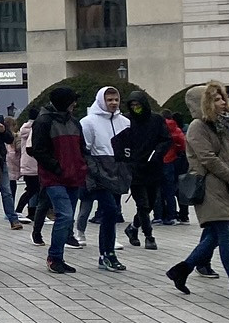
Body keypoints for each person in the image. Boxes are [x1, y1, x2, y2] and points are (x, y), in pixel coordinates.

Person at [171, 82, 229, 302]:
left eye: (223, 99)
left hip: (225, 184)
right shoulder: (197, 126)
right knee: (226, 234)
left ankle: (183, 269)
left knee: (213, 236)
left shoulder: (221, 125)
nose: (222, 103)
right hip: (209, 185)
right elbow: (208, 158)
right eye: (216, 99)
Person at [29, 85, 88, 274]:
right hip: (54, 177)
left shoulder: (74, 122)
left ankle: (58, 257)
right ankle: (54, 257)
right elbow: (38, 149)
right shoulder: (44, 122)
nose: (75, 104)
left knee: (67, 218)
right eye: (72, 101)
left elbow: (82, 147)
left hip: (74, 176)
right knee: (65, 215)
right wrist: (56, 167)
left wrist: (82, 165)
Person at [80, 86, 132, 273]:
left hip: (118, 173)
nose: (113, 103)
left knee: (113, 213)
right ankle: (107, 253)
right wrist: (95, 172)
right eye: (109, 99)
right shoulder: (88, 122)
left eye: (116, 99)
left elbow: (127, 149)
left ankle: (107, 253)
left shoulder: (125, 122)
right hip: (99, 174)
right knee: (109, 210)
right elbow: (85, 150)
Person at [122, 92, 166, 250]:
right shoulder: (125, 120)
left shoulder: (156, 119)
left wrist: (157, 154)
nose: (135, 109)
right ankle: (149, 235)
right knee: (142, 204)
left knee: (151, 203)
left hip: (152, 167)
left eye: (138, 105)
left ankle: (133, 228)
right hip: (135, 169)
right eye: (132, 106)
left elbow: (165, 139)